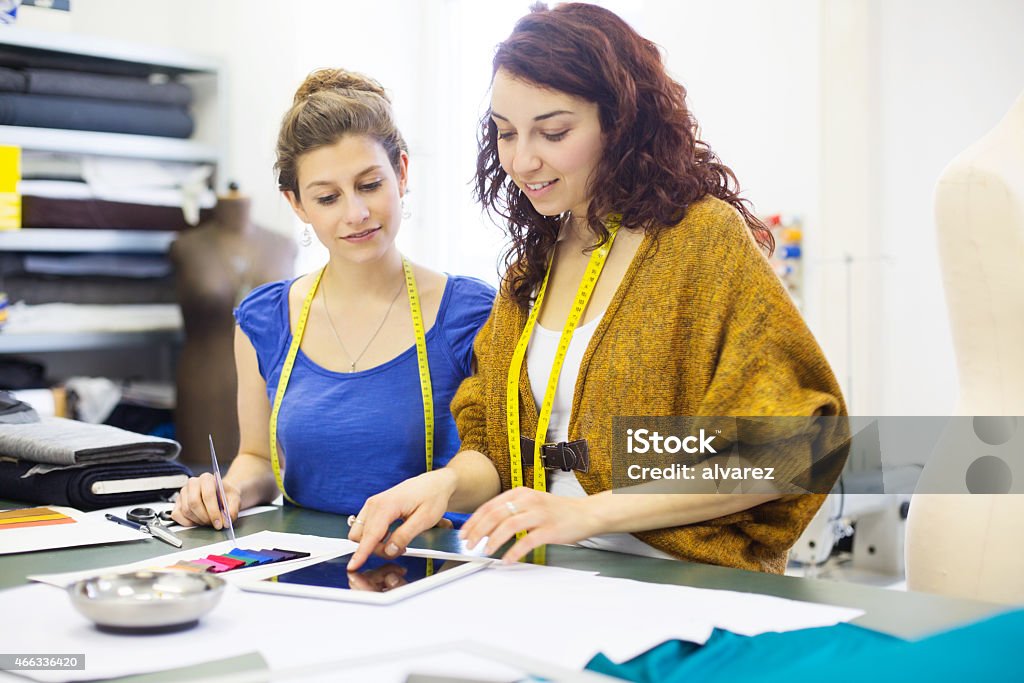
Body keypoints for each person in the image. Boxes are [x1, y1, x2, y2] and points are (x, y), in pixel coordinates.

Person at [349, 3, 844, 574]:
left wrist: (591, 514)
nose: (522, 159)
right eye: (505, 134)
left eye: (553, 131)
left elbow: (794, 447)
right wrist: (442, 484)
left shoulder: (702, 240)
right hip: (545, 575)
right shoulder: (531, 269)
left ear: (621, 120)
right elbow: (497, 449)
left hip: (682, 584)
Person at [171, 69, 495, 528]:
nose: (356, 214)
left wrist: (439, 489)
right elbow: (257, 458)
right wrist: (227, 490)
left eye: (369, 185)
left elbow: (498, 464)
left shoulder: (468, 312)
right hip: (303, 565)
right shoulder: (264, 320)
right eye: (327, 198)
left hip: (431, 559)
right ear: (297, 204)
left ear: (401, 174)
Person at [170, 185, 295, 469]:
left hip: (270, 389)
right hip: (206, 390)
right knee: (205, 488)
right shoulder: (186, 246)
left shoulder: (284, 244)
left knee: (267, 483)